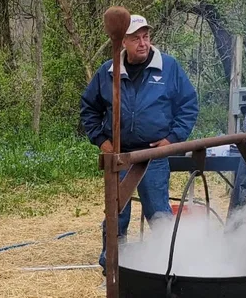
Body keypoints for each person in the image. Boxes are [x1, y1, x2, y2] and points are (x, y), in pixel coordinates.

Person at [79, 14, 198, 269]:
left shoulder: (169, 67)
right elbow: (89, 108)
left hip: (153, 156)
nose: (143, 43)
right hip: (119, 157)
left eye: (146, 36)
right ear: (123, 42)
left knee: (158, 212)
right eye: (136, 38)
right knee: (116, 214)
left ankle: (168, 265)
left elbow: (188, 105)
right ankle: (112, 267)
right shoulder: (108, 71)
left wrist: (173, 139)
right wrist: (101, 140)